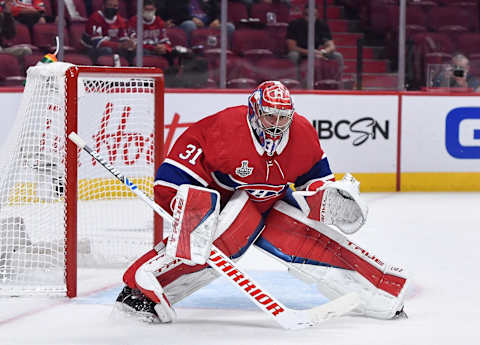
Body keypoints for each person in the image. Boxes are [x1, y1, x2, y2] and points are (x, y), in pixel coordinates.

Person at [114, 80, 408, 324]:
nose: (277, 125)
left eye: (283, 118)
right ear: (254, 111)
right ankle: (139, 290)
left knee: (312, 240)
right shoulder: (224, 128)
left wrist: (327, 195)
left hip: (272, 201)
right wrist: (188, 207)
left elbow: (316, 178)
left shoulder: (302, 134)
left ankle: (382, 293)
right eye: (270, 116)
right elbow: (172, 178)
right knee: (210, 245)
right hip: (227, 207)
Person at [286, 3, 344, 79]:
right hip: (301, 52)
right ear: (303, 14)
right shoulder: (295, 24)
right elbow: (292, 47)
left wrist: (323, 52)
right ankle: (296, 80)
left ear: (317, 15)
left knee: (338, 56)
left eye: (313, 15)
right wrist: (309, 52)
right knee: (293, 55)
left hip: (317, 52)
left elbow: (331, 46)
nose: (310, 17)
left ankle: (337, 81)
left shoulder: (322, 25)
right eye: (307, 14)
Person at [156, 0, 235, 46]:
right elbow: (176, 13)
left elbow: (219, 11)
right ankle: (190, 53)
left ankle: (225, 53)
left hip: (208, 24)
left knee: (229, 27)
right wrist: (191, 18)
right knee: (190, 24)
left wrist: (218, 20)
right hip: (185, 23)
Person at [82, 0, 136, 65]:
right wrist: (119, 45)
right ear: (103, 6)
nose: (112, 8)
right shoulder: (95, 18)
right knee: (107, 50)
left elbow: (123, 38)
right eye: (110, 5)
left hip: (113, 48)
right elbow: (97, 43)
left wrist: (128, 44)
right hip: (89, 49)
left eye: (115, 6)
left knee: (131, 51)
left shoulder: (120, 20)